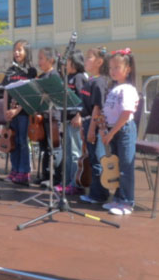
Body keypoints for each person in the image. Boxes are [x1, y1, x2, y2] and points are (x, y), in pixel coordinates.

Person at [101, 48, 139, 216]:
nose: (113, 71)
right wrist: (104, 130)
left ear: (127, 69)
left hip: (124, 130)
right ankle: (117, 198)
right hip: (113, 130)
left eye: (117, 67)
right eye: (111, 68)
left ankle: (127, 202)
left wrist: (111, 133)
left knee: (125, 166)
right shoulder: (114, 89)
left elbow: (125, 114)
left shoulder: (128, 89)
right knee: (116, 166)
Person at [79, 46, 112, 205]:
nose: (85, 61)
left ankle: (99, 194)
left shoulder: (100, 82)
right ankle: (95, 192)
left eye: (89, 57)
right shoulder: (92, 80)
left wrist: (92, 129)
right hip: (87, 122)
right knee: (92, 158)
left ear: (99, 62)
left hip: (95, 125)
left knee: (97, 159)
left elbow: (97, 108)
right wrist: (83, 127)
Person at [2, 39, 37, 185]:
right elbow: (6, 91)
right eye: (15, 50)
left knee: (22, 141)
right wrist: (5, 111)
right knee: (13, 142)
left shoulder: (31, 71)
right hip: (10, 114)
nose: (16, 53)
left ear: (26, 52)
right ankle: (15, 169)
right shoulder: (10, 70)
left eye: (20, 50)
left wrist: (17, 110)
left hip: (23, 113)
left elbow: (30, 94)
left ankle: (24, 171)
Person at [54, 49, 88, 196]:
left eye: (67, 61)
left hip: (75, 120)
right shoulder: (67, 77)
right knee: (67, 153)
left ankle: (75, 183)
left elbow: (83, 99)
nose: (64, 64)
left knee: (75, 153)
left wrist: (79, 115)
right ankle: (66, 182)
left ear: (74, 62)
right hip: (67, 119)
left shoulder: (79, 78)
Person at [35, 47, 62, 187]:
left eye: (41, 58)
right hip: (42, 117)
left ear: (51, 60)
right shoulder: (40, 77)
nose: (38, 61)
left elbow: (56, 96)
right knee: (44, 147)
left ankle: (55, 178)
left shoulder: (55, 76)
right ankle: (45, 175)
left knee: (54, 147)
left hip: (53, 117)